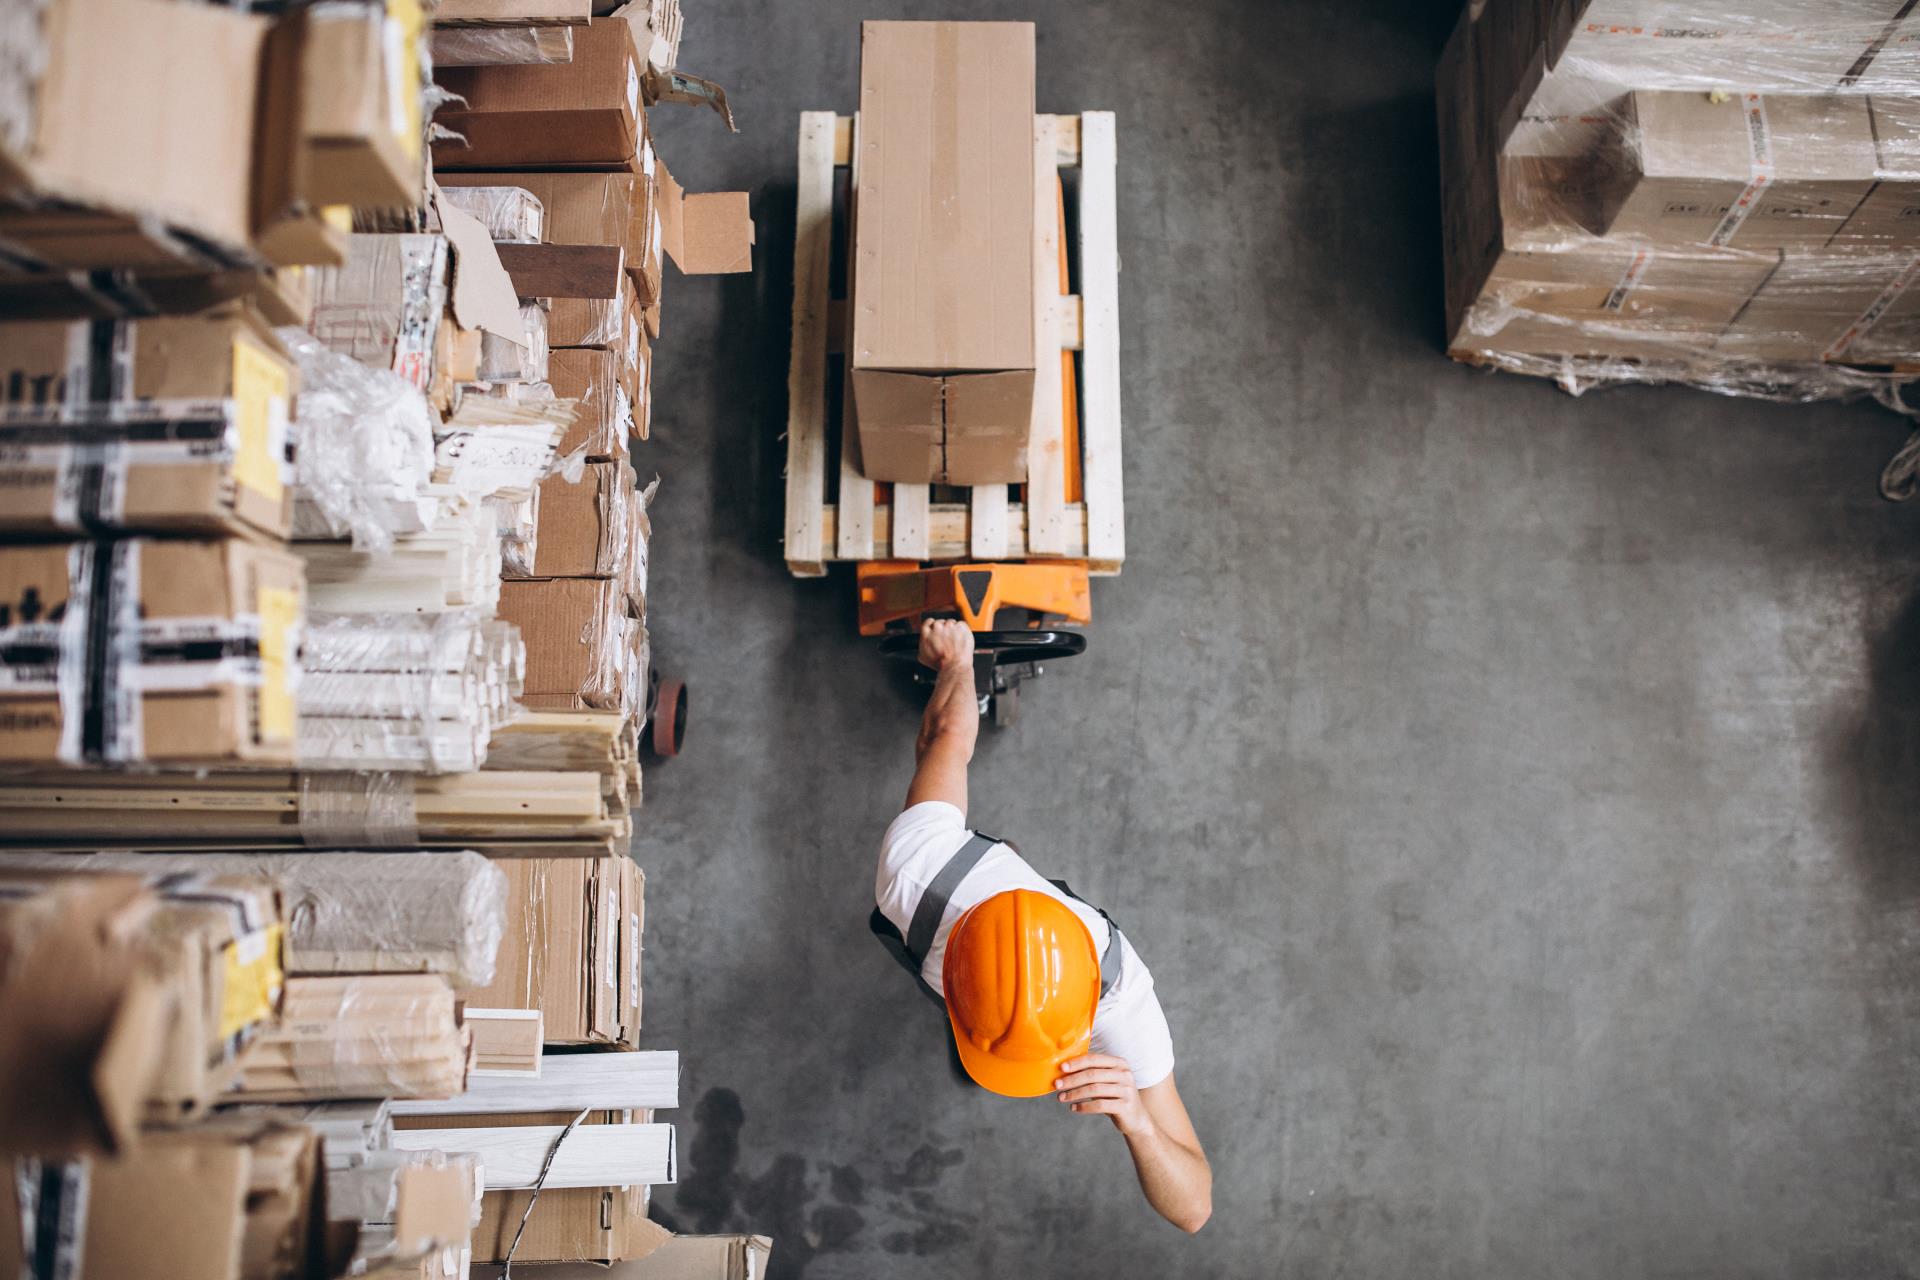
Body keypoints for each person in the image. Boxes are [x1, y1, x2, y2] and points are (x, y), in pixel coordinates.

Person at [870, 619, 1212, 1233]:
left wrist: (1136, 1119)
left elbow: (1194, 1208)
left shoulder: (1122, 1005)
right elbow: (945, 734)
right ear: (948, 974)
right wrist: (958, 661)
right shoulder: (916, 873)